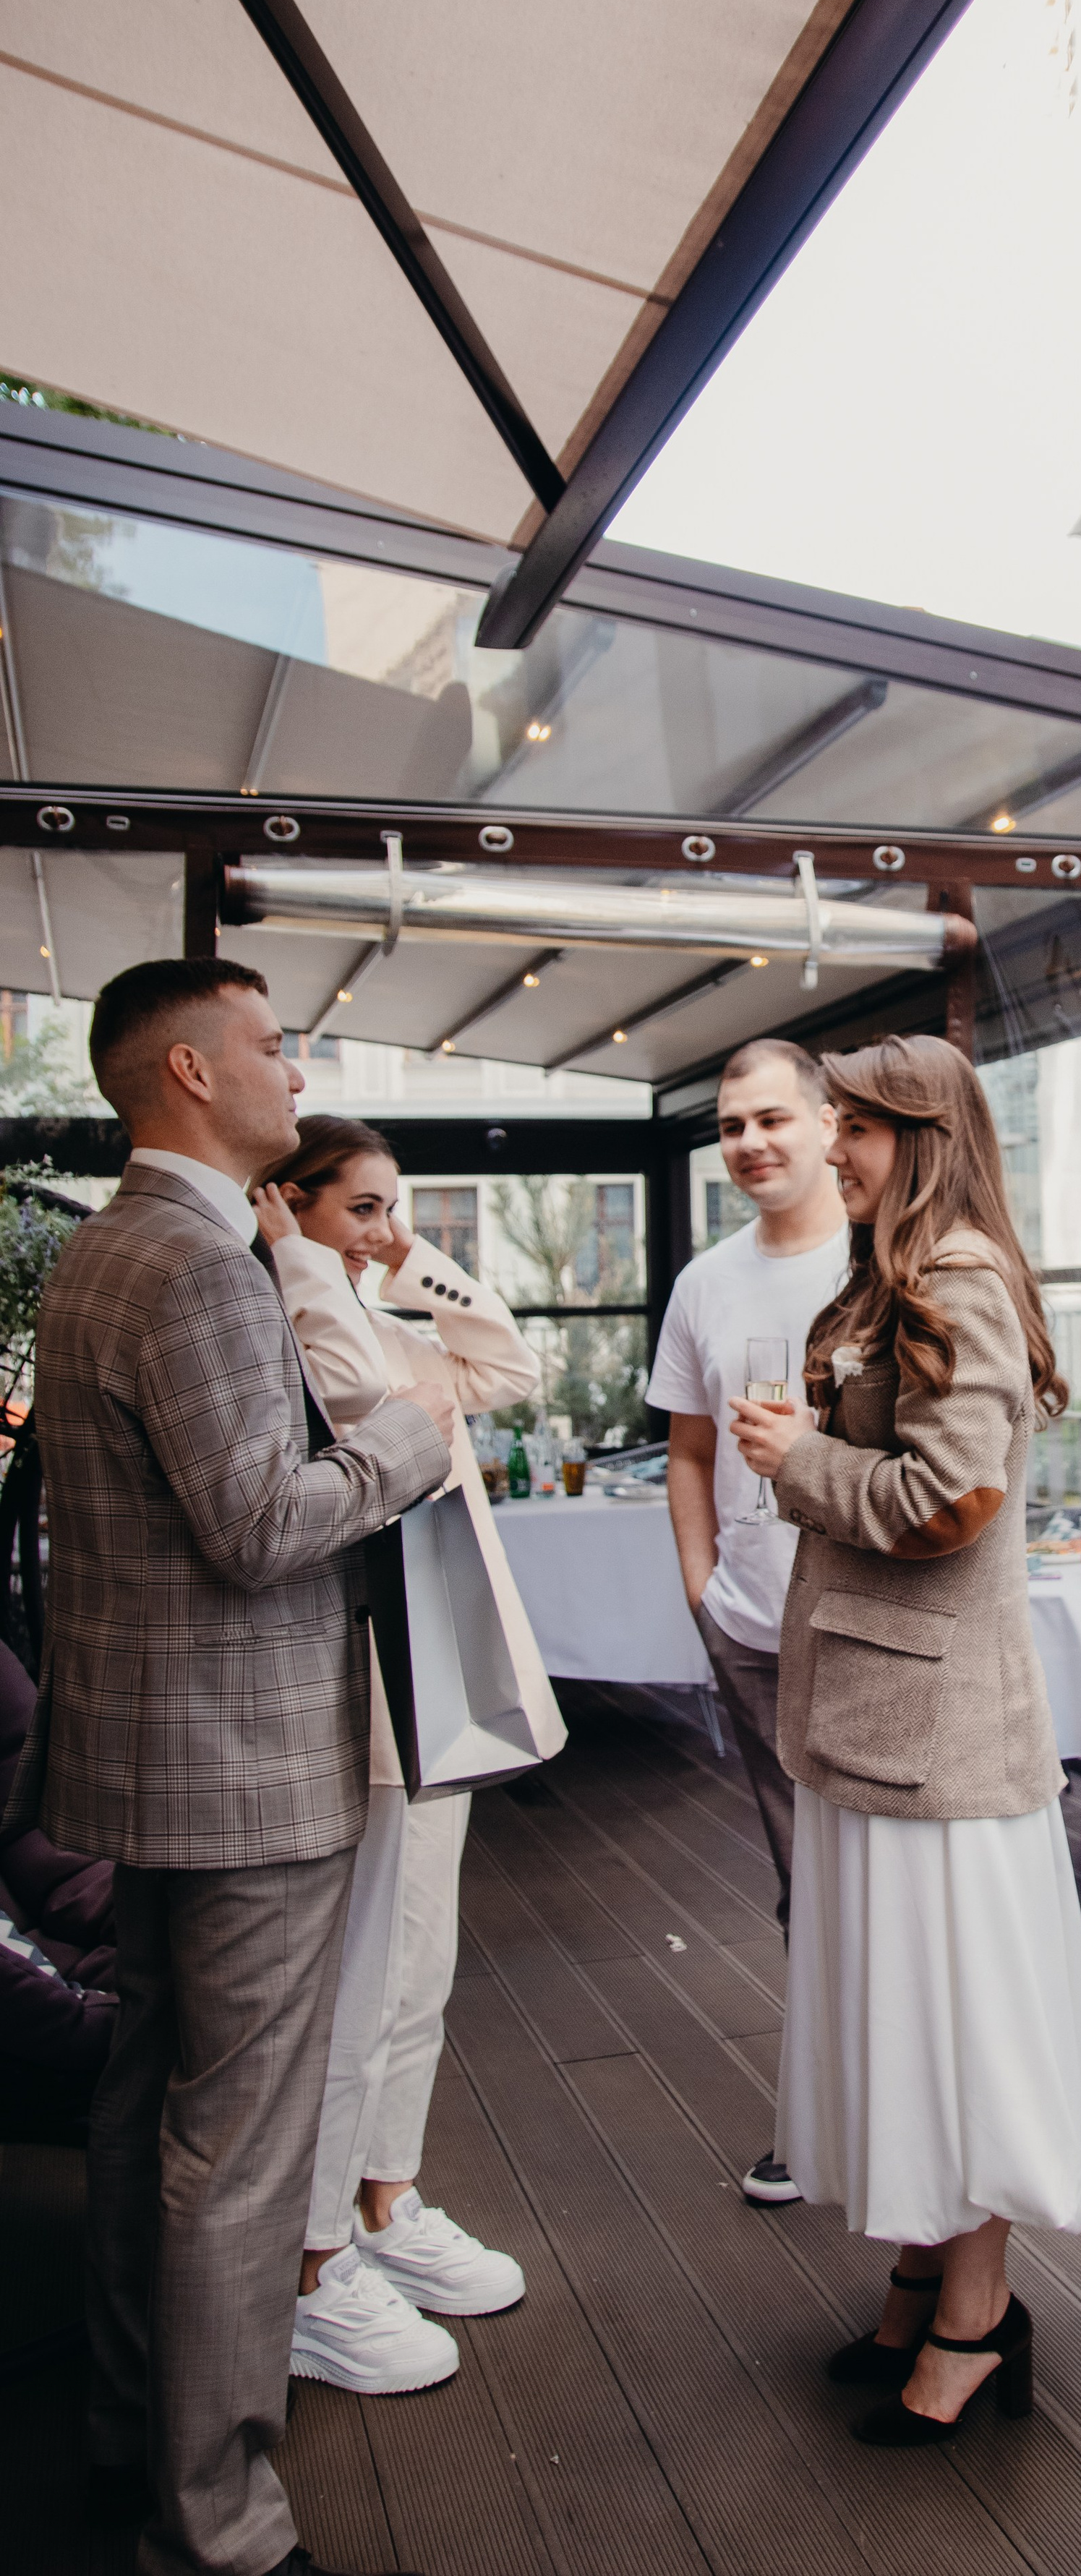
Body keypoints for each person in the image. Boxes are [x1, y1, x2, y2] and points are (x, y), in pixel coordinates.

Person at [7, 958, 453, 2576]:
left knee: (146, 2115)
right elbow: (264, 1525)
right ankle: (222, 2529)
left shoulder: (109, 1250)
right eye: (275, 1044)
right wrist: (407, 1434)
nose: (297, 1065)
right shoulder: (194, 1265)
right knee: (238, 2154)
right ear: (189, 1072)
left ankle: (136, 2440)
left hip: (143, 1758)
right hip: (244, 1769)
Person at [729, 1033, 1081, 2445]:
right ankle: (921, 2269)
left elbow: (948, 1500)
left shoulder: (954, 1278)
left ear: (925, 1135)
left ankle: (975, 2317)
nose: (831, 1146)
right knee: (901, 2021)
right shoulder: (896, 1274)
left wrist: (795, 1461)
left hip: (935, 1738)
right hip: (878, 1721)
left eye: (856, 1127)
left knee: (949, 2035)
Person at [250, 1116, 562, 2394]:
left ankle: (385, 2201)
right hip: (367, 1684)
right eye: (361, 1206)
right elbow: (371, 1412)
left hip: (445, 1678)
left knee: (419, 1964)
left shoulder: (381, 1310)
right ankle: (312, 2263)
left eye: (396, 1207)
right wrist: (306, 1263)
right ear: (289, 1207)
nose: (385, 1230)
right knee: (368, 1976)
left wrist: (403, 1258)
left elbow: (512, 1367)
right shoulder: (292, 1317)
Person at [648, 1037, 847, 2207]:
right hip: (753, 1629)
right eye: (732, 1128)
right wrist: (700, 1585)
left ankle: (892, 2117)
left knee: (880, 1884)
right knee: (798, 1881)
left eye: (774, 1119)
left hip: (871, 1636)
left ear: (829, 1123)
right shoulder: (706, 1282)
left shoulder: (882, 1263)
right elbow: (689, 1448)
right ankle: (816, 2119)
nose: (752, 1144)